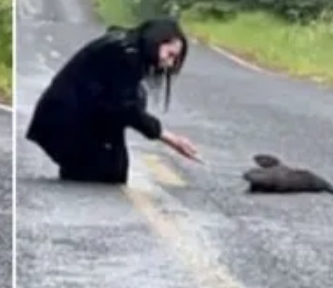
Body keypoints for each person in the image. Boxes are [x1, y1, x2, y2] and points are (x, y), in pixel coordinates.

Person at [25, 16, 202, 184]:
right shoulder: (125, 54)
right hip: (64, 121)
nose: (170, 63)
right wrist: (170, 138)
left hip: (74, 118)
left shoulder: (126, 47)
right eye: (170, 54)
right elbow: (125, 107)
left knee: (114, 170)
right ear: (157, 40)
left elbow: (121, 102)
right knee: (104, 174)